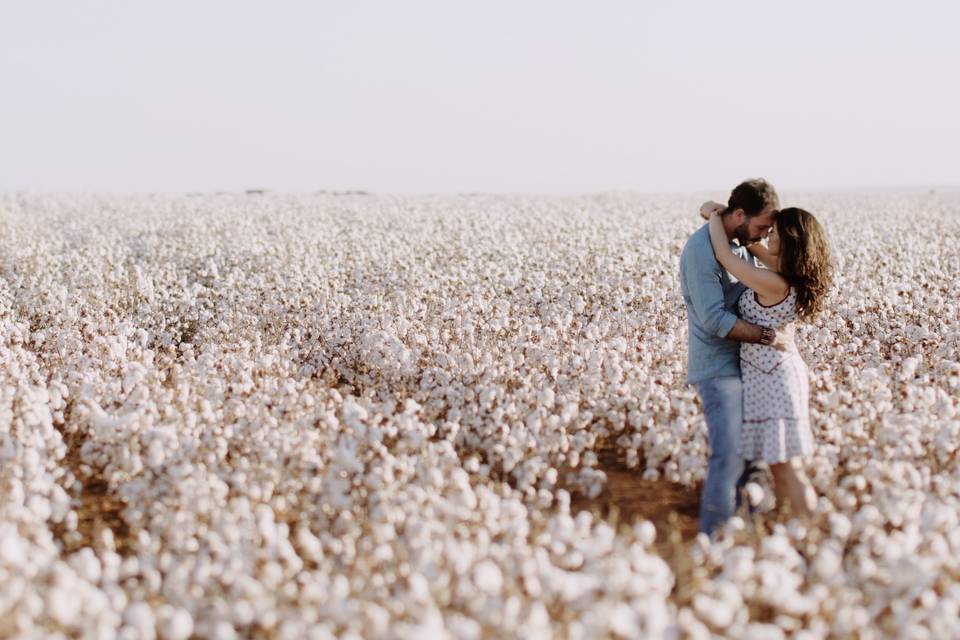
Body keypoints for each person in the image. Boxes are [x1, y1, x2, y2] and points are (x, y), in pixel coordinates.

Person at [700, 200, 834, 519]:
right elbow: (753, 247)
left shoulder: (774, 282)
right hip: (773, 373)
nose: (768, 237)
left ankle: (809, 527)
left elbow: (725, 256)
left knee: (786, 466)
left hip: (774, 378)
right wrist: (742, 226)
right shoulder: (783, 272)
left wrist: (715, 218)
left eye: (774, 233)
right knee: (781, 464)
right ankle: (799, 527)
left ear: (788, 240)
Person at [679, 178, 785, 537]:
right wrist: (766, 336)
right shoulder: (701, 250)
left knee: (751, 461)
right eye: (760, 227)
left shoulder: (739, 246)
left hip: (749, 367)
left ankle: (746, 537)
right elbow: (713, 320)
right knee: (728, 457)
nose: (762, 236)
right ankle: (712, 538)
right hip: (718, 368)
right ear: (739, 215)